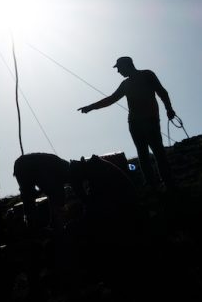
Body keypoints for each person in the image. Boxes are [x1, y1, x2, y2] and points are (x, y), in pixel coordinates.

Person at [78, 56, 176, 187]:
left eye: (119, 68)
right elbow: (111, 99)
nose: (118, 71)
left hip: (148, 121)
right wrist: (90, 107)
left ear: (127, 65)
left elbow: (162, 92)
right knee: (144, 154)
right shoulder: (127, 83)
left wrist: (169, 108)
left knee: (156, 153)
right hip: (136, 124)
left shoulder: (147, 75)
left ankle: (166, 183)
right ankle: (154, 184)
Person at [13, 153, 71, 228]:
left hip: (21, 164)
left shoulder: (59, 164)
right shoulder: (63, 170)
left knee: (28, 197)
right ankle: (53, 224)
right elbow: (54, 189)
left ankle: (33, 225)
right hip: (29, 166)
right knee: (30, 197)